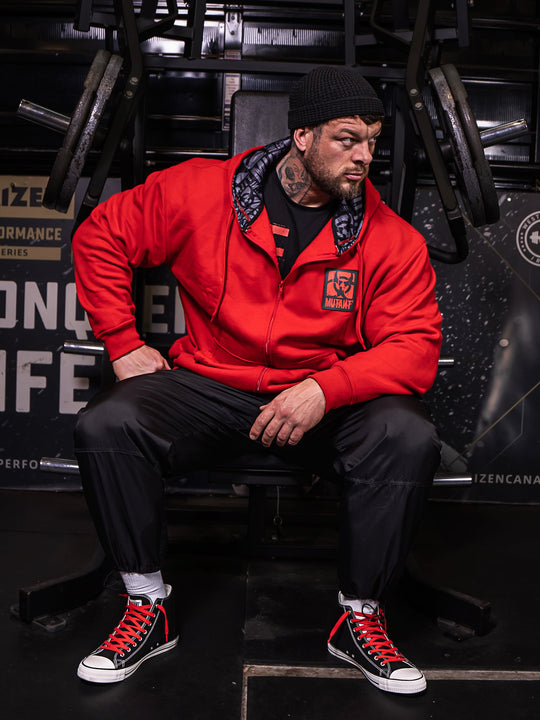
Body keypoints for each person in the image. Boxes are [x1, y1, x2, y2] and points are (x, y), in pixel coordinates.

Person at [71, 65, 442, 695]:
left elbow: (415, 346)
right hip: (214, 385)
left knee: (406, 434)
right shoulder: (198, 192)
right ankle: (146, 605)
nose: (363, 157)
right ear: (301, 136)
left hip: (318, 398)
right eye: (346, 139)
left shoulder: (391, 240)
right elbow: (101, 237)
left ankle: (360, 620)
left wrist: (326, 389)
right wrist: (123, 343)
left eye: (372, 142)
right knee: (109, 421)